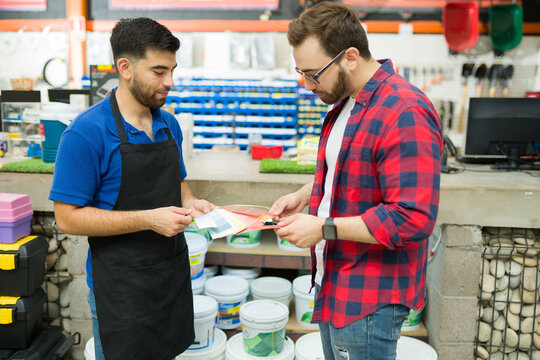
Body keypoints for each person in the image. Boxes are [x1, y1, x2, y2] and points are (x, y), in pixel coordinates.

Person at [270, 3, 442, 360]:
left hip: (369, 296)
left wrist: (323, 228)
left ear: (350, 56)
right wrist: (305, 195)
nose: (307, 84)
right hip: (336, 279)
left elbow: (413, 218)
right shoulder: (348, 103)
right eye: (301, 72)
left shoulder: (403, 110)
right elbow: (351, 168)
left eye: (314, 73)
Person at [49, 18, 216, 360]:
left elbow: (178, 186)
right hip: (121, 289)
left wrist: (194, 202)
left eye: (172, 70)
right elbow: (67, 219)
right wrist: (149, 220)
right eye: (159, 71)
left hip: (170, 278)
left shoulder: (168, 125)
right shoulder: (86, 133)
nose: (170, 81)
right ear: (125, 67)